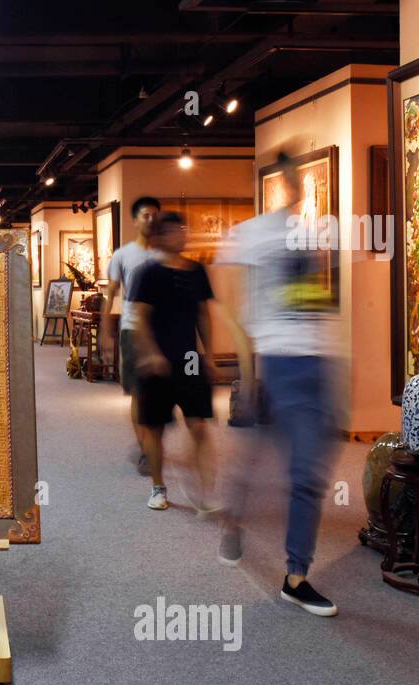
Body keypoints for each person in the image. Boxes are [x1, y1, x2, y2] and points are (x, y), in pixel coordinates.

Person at [216, 151, 342, 617]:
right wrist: (249, 371)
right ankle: (233, 517)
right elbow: (230, 305)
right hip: (273, 363)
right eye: (288, 175)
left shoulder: (306, 236)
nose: (295, 184)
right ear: (274, 181)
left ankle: (296, 575)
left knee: (307, 472)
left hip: (314, 363)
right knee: (253, 461)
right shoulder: (248, 234)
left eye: (298, 177)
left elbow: (311, 303)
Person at [129, 211, 240, 514]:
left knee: (199, 425)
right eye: (175, 231)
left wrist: (211, 355)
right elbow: (139, 318)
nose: (182, 235)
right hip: (156, 364)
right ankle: (158, 487)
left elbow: (203, 314)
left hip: (190, 359)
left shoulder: (196, 271)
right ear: (162, 237)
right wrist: (151, 353)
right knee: (155, 429)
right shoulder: (147, 272)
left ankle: (206, 491)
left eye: (183, 229)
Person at [102, 196, 159, 475]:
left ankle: (153, 442)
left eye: (154, 216)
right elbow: (111, 294)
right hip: (133, 330)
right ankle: (146, 449)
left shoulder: (165, 256)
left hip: (163, 331)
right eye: (145, 215)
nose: (151, 220)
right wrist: (105, 330)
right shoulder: (123, 255)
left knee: (160, 393)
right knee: (138, 393)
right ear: (134, 220)